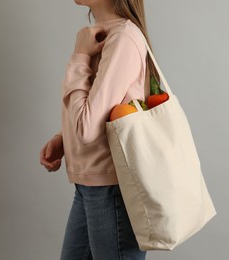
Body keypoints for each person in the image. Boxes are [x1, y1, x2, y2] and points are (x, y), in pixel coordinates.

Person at [39, 0, 160, 259]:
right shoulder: (108, 34)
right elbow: (98, 114)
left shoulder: (123, 39)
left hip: (111, 190)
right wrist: (65, 138)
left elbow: (87, 128)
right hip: (91, 186)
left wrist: (80, 56)